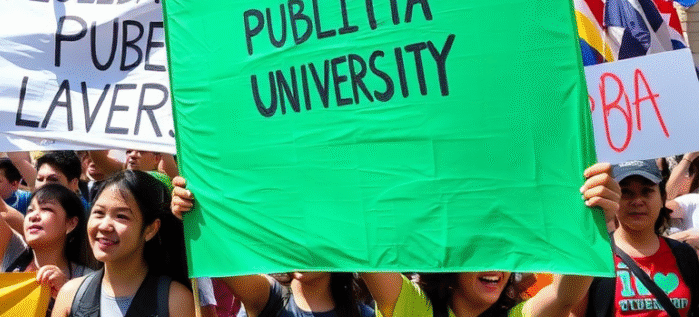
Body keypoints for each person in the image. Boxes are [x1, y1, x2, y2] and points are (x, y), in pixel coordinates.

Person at [171, 163, 620, 317]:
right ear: (448, 264)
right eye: (480, 253)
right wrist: (200, 212)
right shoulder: (415, 310)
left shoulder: (519, 314)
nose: (495, 266)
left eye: (503, 255)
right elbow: (362, 244)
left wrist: (596, 220)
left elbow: (566, 295)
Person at [0, 108, 95, 299]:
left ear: (71, 223)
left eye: (46, 209)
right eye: (30, 210)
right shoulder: (12, 251)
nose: (34, 216)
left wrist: (66, 294)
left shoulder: (87, 280)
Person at [51, 169, 194, 317]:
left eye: (121, 216)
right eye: (99, 213)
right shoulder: (70, 295)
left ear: (151, 229)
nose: (104, 226)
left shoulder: (175, 300)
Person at [578, 159, 699, 317]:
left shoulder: (685, 255)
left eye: (646, 191)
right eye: (625, 192)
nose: (637, 201)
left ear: (662, 198)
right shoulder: (595, 257)